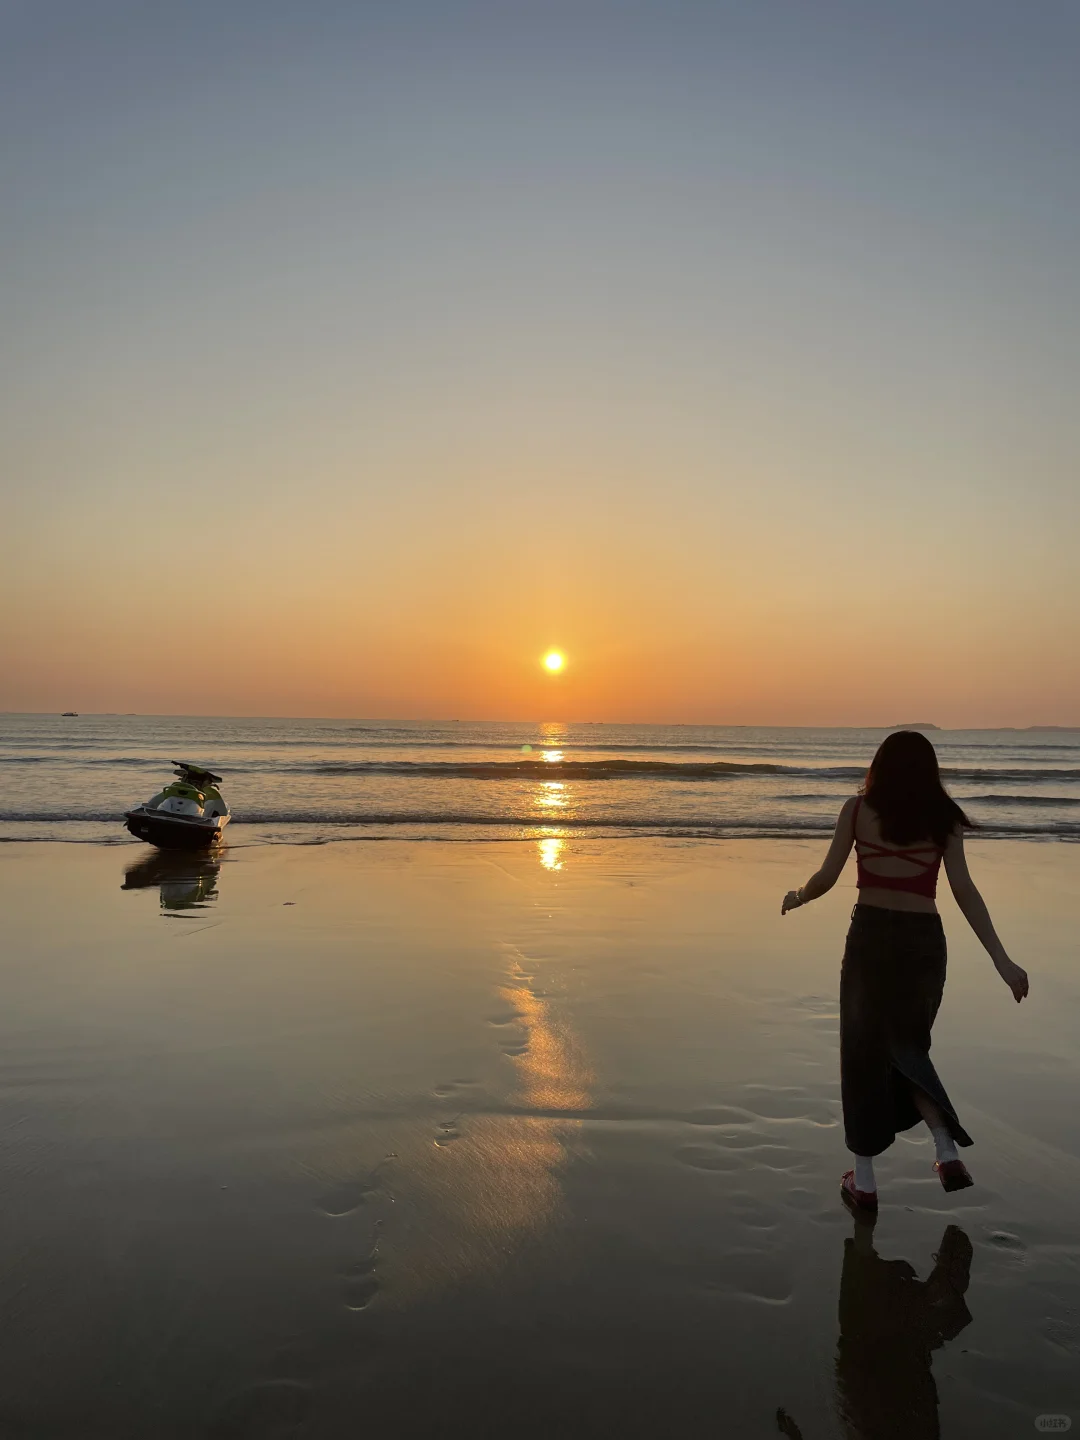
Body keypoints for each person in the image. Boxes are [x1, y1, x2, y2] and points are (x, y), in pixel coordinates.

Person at [781, 730, 1029, 1212]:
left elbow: (828, 876)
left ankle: (866, 1183)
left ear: (880, 766)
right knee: (908, 1048)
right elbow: (964, 890)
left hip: (871, 939)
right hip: (924, 944)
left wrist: (798, 896)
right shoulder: (944, 820)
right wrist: (1002, 959)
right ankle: (944, 1146)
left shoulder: (855, 812)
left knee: (862, 1055)